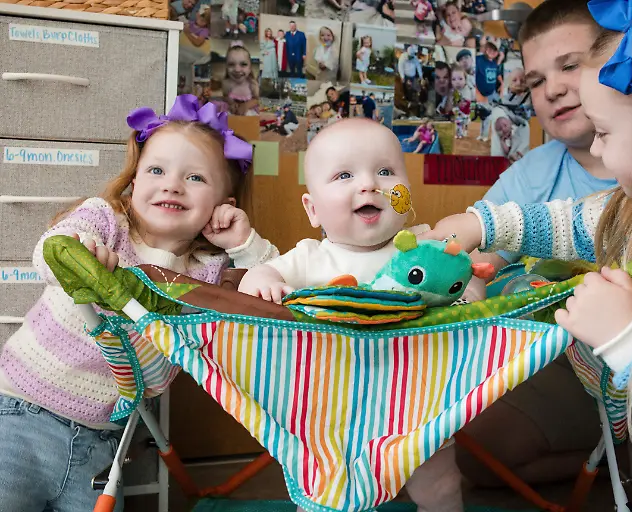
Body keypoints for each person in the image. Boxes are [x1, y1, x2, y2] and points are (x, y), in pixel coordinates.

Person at [424, 0, 632, 509]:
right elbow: (571, 221)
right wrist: (483, 223)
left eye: (605, 134)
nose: (600, 154)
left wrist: (627, 341)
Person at [0, 95, 278, 511]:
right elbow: (50, 253)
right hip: (20, 414)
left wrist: (243, 244)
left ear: (223, 206)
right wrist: (83, 250)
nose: (172, 184)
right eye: (157, 170)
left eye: (196, 178)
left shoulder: (209, 271)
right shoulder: (105, 222)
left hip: (104, 444)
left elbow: (274, 296)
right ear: (134, 183)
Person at [239, 118, 464, 512]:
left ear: (406, 193)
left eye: (385, 171)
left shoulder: (421, 251)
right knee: (324, 492)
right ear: (312, 209)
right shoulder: (310, 257)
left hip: (417, 405)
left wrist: (469, 292)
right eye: (344, 175)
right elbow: (258, 280)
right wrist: (262, 279)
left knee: (441, 486)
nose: (369, 184)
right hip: (329, 412)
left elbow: (461, 282)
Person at [454, 0, 618, 489]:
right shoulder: (531, 174)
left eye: (570, 65)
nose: (554, 89)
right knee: (474, 453)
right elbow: (470, 258)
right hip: (563, 369)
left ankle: (625, 456)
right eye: (536, 81)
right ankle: (620, 462)